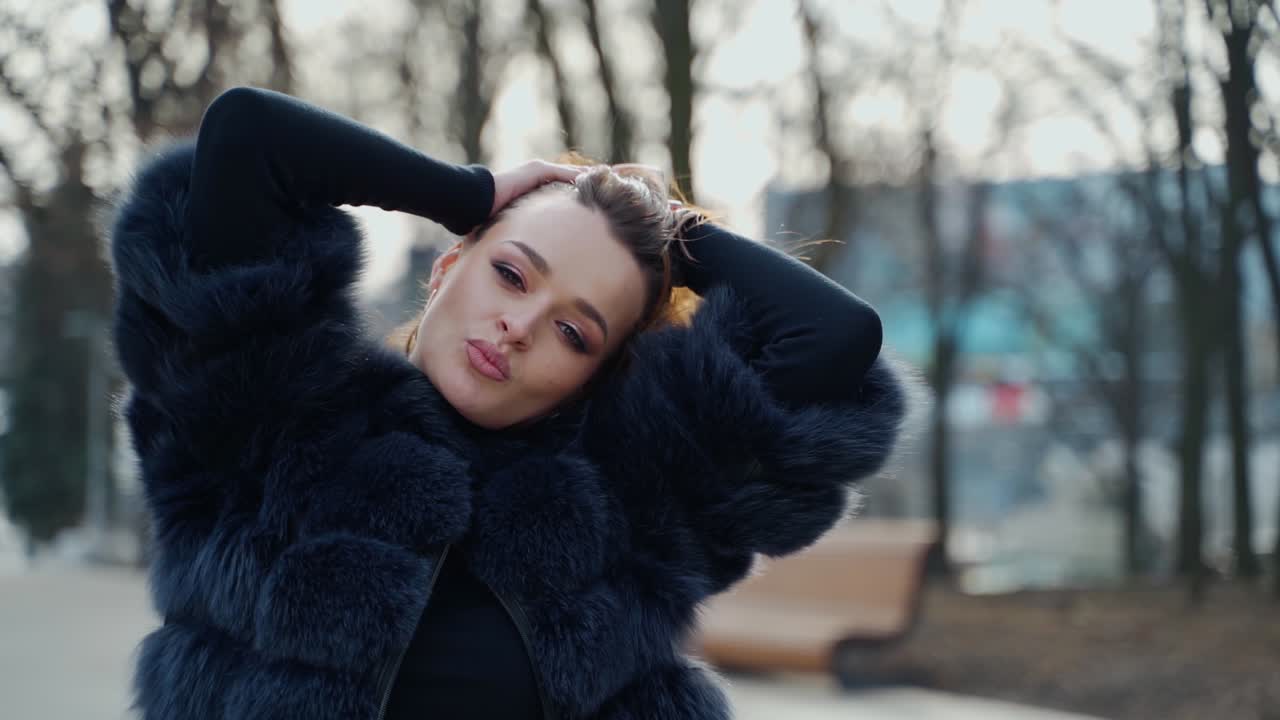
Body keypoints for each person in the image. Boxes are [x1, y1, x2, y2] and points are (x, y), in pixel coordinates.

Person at [106, 86, 907, 720]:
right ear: (448, 264)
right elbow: (250, 135)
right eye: (512, 274)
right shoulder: (270, 412)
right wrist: (470, 190)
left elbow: (834, 335)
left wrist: (670, 229)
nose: (520, 327)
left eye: (574, 330)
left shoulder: (626, 507)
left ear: (594, 375)